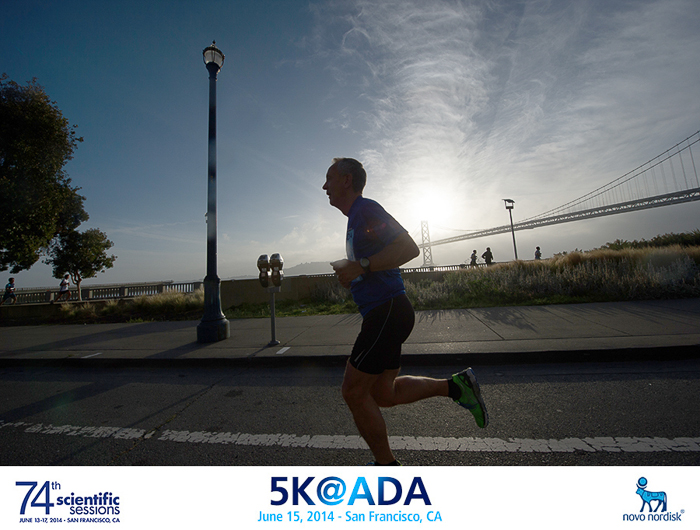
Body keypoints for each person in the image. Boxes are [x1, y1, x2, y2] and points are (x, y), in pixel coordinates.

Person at [324, 157, 488, 466]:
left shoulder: (366, 209)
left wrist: (361, 266)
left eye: (329, 178)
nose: (324, 186)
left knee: (353, 392)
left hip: (387, 311)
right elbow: (375, 265)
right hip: (389, 312)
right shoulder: (356, 218)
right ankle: (456, 387)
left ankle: (386, 467)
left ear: (346, 180)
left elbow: (409, 248)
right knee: (384, 394)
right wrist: (354, 274)